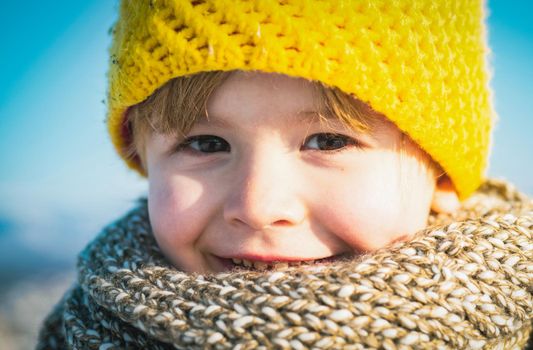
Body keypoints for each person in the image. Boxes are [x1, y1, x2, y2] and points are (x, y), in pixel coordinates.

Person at [38, 1, 532, 348]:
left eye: (329, 141)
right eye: (205, 144)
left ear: (441, 174)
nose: (258, 207)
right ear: (145, 162)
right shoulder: (77, 334)